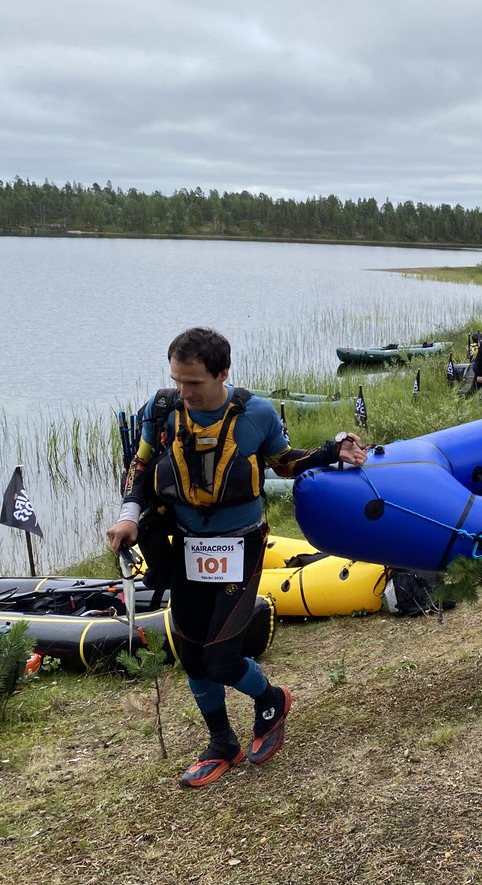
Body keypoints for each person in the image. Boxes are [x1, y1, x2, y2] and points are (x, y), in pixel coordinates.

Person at [106, 327, 367, 788]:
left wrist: (332, 450)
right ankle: (222, 743)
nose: (183, 392)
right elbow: (141, 466)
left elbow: (284, 463)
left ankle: (271, 701)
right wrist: (129, 515)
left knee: (222, 659)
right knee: (190, 652)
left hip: (240, 546)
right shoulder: (163, 409)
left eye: (194, 383)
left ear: (223, 372)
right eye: (177, 380)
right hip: (185, 545)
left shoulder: (256, 414)